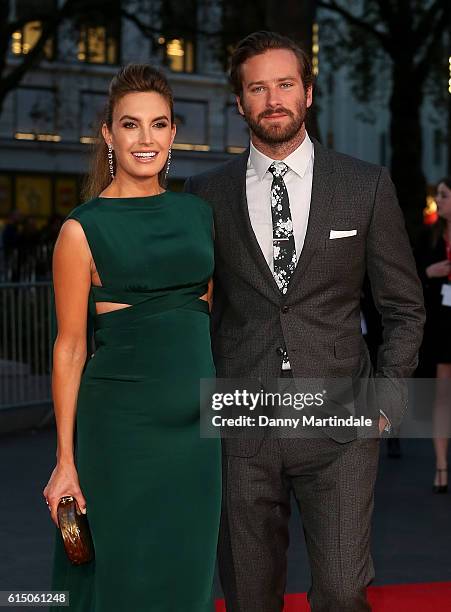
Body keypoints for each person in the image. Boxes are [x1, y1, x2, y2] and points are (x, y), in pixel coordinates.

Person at [185, 31, 425, 612]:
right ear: (239, 103)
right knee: (249, 596)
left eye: (285, 84)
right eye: (257, 88)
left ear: (309, 93)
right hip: (242, 423)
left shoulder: (365, 185)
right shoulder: (202, 195)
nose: (273, 99)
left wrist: (389, 396)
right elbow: (191, 310)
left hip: (342, 419)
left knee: (343, 591)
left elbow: (403, 306)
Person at [43, 64, 221, 612]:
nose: (146, 139)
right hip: (120, 435)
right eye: (130, 124)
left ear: (173, 133)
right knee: (123, 577)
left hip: (195, 436)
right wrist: (65, 459)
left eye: (158, 124)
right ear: (108, 135)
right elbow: (71, 348)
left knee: (186, 576)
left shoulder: (198, 215)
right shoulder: (81, 229)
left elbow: (200, 318)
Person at [415, 177, 451, 493]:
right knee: (441, 396)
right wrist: (430, 272)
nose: (437, 201)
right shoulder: (430, 238)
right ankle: (441, 466)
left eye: (443, 195)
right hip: (442, 323)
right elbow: (412, 278)